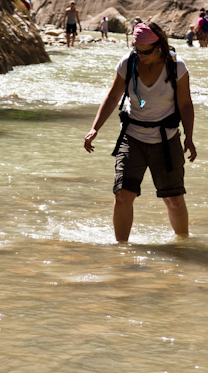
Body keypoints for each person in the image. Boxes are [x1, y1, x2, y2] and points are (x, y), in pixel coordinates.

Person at [84, 21, 197, 242]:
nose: (142, 55)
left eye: (147, 51)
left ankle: (183, 245)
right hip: (132, 136)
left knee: (174, 199)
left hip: (167, 138)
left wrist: (189, 138)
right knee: (123, 194)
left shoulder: (176, 67)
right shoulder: (128, 63)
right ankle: (121, 251)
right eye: (138, 51)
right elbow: (113, 96)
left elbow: (185, 104)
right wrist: (94, 128)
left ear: (160, 46)